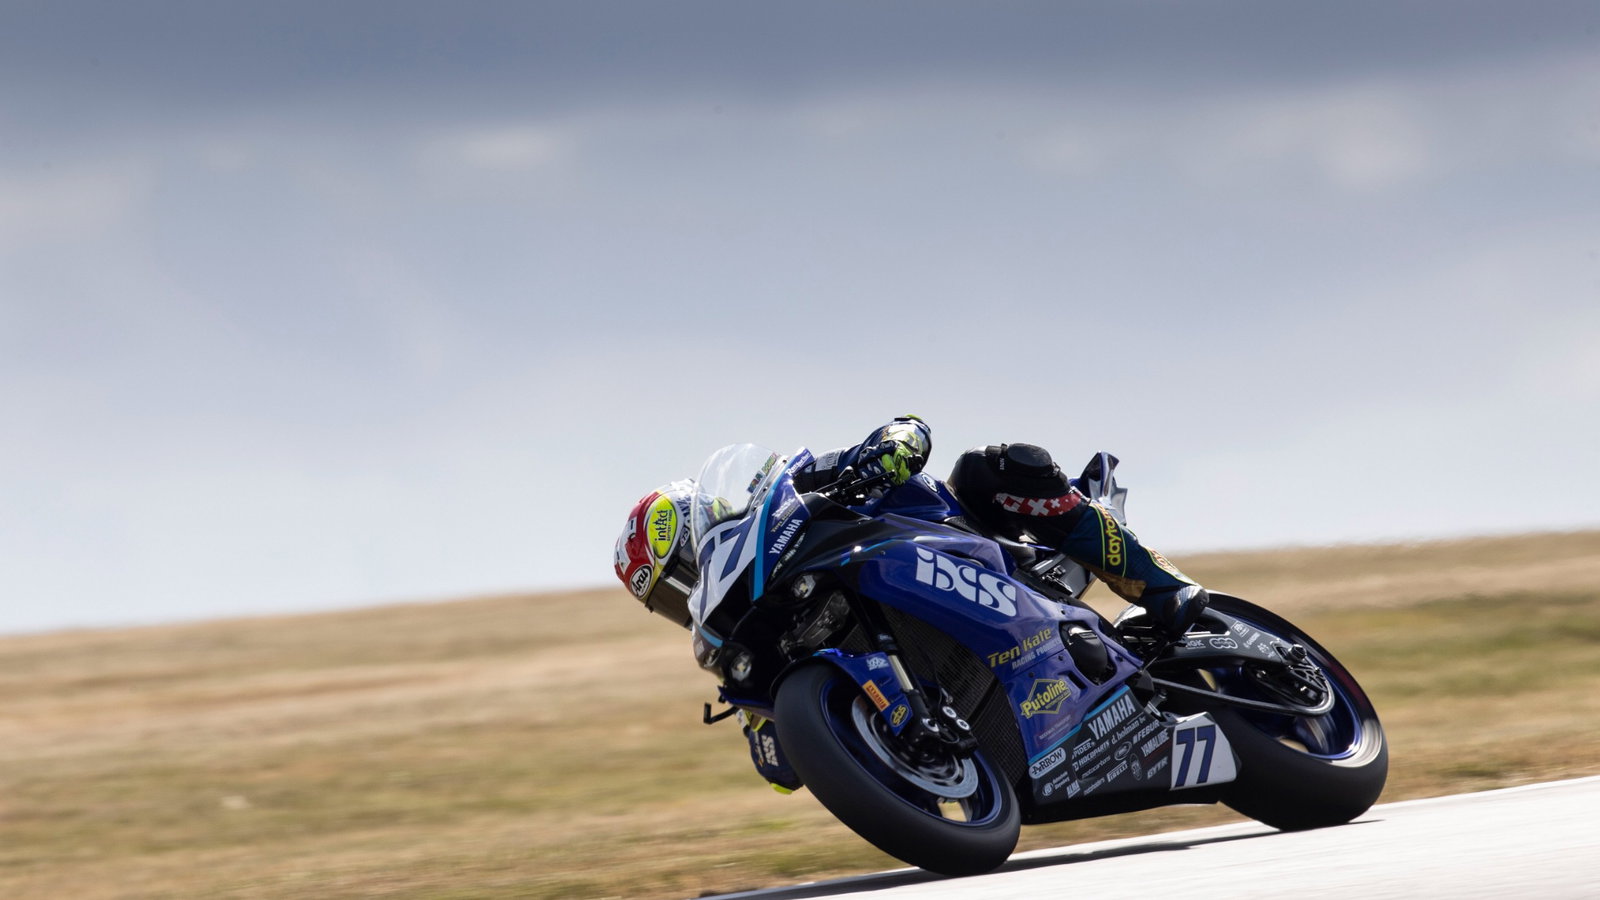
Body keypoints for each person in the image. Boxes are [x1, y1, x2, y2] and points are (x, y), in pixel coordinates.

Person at [612, 416, 1209, 790]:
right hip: (952, 695)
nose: (687, 596)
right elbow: (782, 772)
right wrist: (777, 727)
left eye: (682, 573)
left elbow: (907, 430)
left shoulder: (795, 490)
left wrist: (889, 448)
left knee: (991, 467)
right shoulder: (757, 646)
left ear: (704, 523)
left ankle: (1163, 586)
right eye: (669, 597)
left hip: (962, 538)